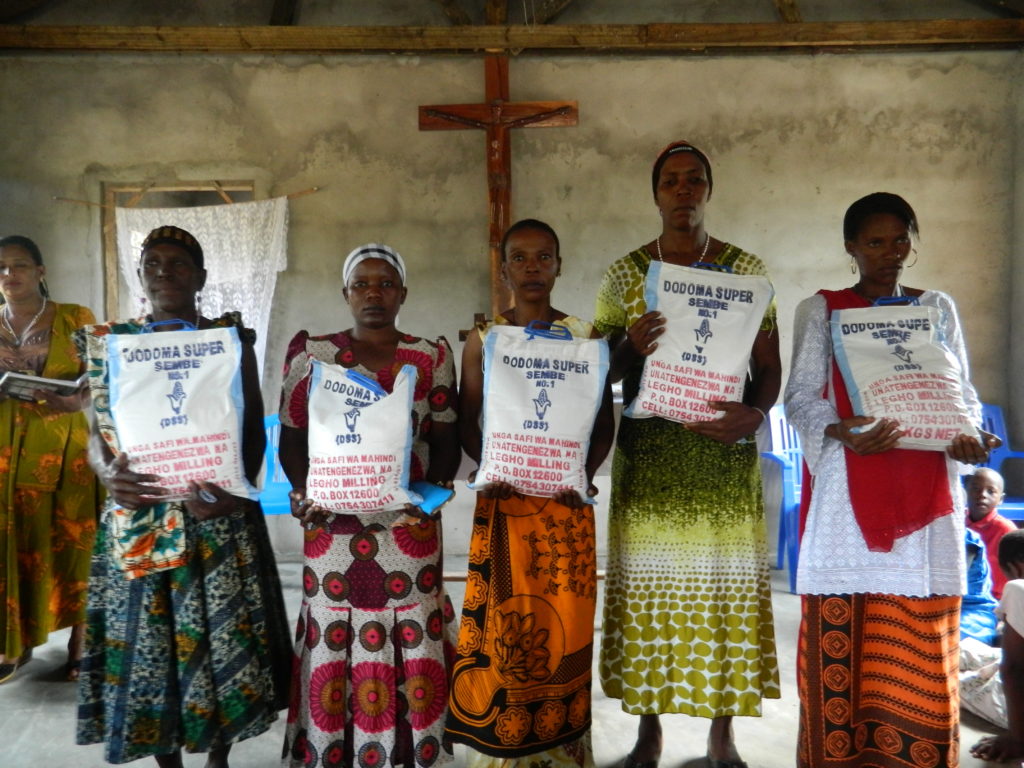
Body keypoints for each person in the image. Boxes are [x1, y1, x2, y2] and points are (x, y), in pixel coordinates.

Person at [784, 192, 998, 768]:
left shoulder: (936, 308)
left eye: (900, 240)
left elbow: (961, 392)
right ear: (851, 247)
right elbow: (800, 398)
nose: (889, 253)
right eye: (874, 242)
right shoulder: (822, 310)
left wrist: (968, 435)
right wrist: (839, 429)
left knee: (922, 650)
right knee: (843, 642)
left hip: (926, 499)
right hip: (846, 500)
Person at [594, 142, 781, 768]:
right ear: (655, 194)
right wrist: (630, 346)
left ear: (708, 189)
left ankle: (722, 735)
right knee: (649, 594)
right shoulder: (625, 274)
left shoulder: (745, 269)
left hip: (721, 455)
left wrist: (757, 414)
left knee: (725, 591)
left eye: (694, 180)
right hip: (650, 458)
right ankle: (648, 733)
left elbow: (768, 364)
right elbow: (599, 371)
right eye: (670, 181)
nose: (683, 190)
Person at [75, 225, 291, 767]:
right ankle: (165, 759)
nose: (164, 273)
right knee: (151, 647)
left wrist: (237, 493)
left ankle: (218, 758)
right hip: (142, 514)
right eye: (152, 264)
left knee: (223, 641)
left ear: (200, 277)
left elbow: (252, 430)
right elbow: (94, 431)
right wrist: (106, 474)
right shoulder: (114, 344)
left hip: (217, 516)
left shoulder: (227, 340)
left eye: (177, 264)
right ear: (140, 276)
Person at [279, 243, 461, 768]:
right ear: (346, 293)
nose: (373, 294)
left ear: (403, 293)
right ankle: (333, 751)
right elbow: (292, 439)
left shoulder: (430, 357)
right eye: (361, 284)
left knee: (412, 631)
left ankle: (410, 752)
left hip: (407, 530)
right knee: (333, 631)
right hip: (332, 532)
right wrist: (301, 493)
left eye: (385, 284)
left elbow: (446, 441)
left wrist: (430, 499)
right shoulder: (312, 355)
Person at [445, 219, 615, 768]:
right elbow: (469, 420)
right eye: (520, 258)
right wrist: (487, 467)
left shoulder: (587, 337)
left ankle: (564, 751)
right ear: (504, 270)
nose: (533, 267)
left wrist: (583, 476)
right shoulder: (484, 340)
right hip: (504, 506)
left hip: (565, 512)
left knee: (564, 633)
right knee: (504, 634)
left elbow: (603, 422)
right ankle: (500, 752)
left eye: (544, 256)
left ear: (559, 265)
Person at [0, 234, 100, 683]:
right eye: (1, 267)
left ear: (40, 271)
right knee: (9, 546)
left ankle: (82, 643)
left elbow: (102, 376)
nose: (9, 274)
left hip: (65, 448)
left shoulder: (75, 317)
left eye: (20, 265)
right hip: (3, 452)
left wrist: (79, 399)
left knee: (75, 546)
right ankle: (12, 644)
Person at [968, 529, 1024, 762]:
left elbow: (1013, 669)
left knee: (958, 683)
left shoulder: (1019, 588)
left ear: (1016, 567)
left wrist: (1017, 738)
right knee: (973, 653)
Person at [966, 467, 1017, 599]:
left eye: (991, 491)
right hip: (962, 593)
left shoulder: (1006, 530)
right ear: (965, 491)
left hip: (995, 598)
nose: (982, 495)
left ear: (1001, 499)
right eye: (976, 488)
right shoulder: (957, 522)